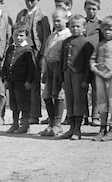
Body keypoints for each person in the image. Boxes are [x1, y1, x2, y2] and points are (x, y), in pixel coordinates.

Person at [13, 0, 47, 124]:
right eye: (27, 0)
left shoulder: (42, 17)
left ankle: (34, 114)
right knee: (23, 83)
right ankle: (24, 113)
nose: (29, 3)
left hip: (35, 52)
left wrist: (43, 56)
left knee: (34, 84)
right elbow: (16, 32)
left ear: (38, 0)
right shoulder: (21, 15)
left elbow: (46, 37)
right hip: (22, 53)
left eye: (32, 0)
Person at [59, 15, 93, 140]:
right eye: (72, 26)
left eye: (78, 26)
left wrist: (86, 79)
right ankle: (71, 127)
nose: (75, 29)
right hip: (67, 73)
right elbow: (62, 60)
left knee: (79, 101)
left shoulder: (86, 43)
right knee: (70, 101)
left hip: (79, 75)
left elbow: (89, 63)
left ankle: (77, 129)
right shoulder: (65, 42)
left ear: (84, 28)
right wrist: (62, 77)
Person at [38, 7, 71, 137]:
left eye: (58, 20)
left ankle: (57, 124)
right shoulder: (52, 36)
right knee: (46, 95)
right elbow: (46, 54)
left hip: (59, 68)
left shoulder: (67, 36)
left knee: (58, 95)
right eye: (54, 21)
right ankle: (51, 123)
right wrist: (44, 71)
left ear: (66, 19)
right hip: (50, 67)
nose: (56, 23)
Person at [1, 26, 36, 134]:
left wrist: (29, 81)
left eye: (21, 36)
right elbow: (6, 64)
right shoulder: (11, 48)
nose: (18, 38)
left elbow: (32, 68)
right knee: (14, 102)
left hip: (22, 82)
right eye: (16, 35)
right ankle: (15, 123)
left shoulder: (28, 50)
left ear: (26, 36)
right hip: (12, 80)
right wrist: (5, 78)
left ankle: (25, 124)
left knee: (23, 102)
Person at [83, 0, 102, 126]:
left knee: (96, 90)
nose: (91, 11)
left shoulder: (100, 25)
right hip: (81, 60)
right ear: (84, 8)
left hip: (96, 60)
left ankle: (96, 116)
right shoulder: (81, 22)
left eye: (94, 9)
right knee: (83, 89)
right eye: (89, 9)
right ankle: (84, 116)